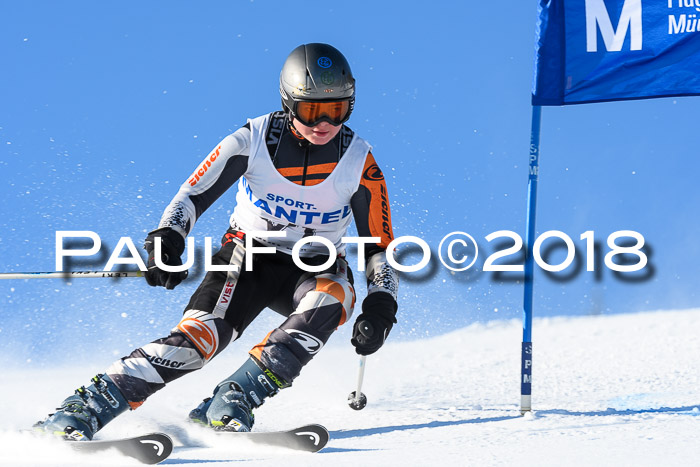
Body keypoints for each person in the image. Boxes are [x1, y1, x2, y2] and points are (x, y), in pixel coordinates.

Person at [34, 43, 399, 440]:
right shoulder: (254, 139)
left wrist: (381, 305)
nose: (325, 121)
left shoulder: (360, 161)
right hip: (248, 256)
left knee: (333, 298)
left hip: (315, 267)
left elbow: (380, 245)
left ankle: (233, 399)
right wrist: (167, 238)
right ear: (288, 101)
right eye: (312, 110)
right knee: (199, 341)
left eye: (339, 108)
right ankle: (85, 408)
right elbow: (192, 194)